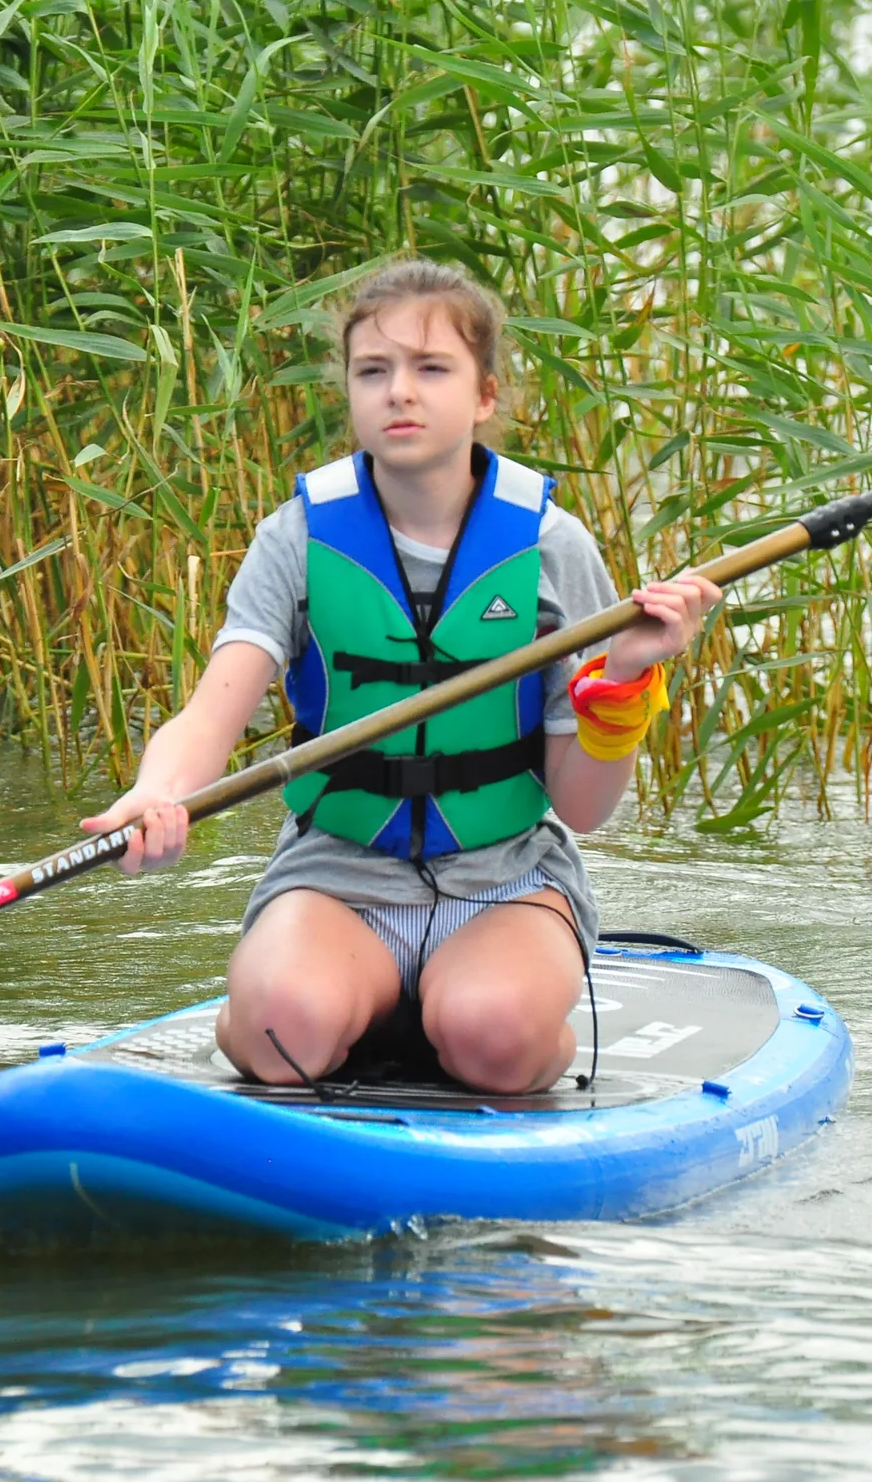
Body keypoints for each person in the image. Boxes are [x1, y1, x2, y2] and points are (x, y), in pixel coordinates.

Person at [82, 260, 720, 1095]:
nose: (399, 393)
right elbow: (213, 711)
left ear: (485, 395)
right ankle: (344, 1005)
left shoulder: (553, 548)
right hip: (338, 874)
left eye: (431, 368)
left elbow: (585, 809)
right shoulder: (298, 538)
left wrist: (628, 677)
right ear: (349, 391)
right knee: (281, 1036)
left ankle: (501, 1037)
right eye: (373, 371)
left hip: (506, 878)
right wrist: (156, 792)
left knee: (495, 1040)